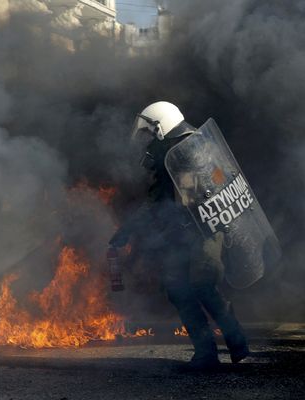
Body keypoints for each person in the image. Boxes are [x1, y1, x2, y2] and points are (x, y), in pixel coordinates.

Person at [109, 101, 260, 369]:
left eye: (149, 130)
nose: (146, 137)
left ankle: (240, 350)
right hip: (179, 235)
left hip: (205, 233)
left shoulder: (194, 148)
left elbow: (205, 190)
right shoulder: (167, 150)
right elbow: (158, 202)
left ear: (161, 126)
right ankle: (205, 355)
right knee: (178, 290)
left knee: (204, 287)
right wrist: (128, 230)